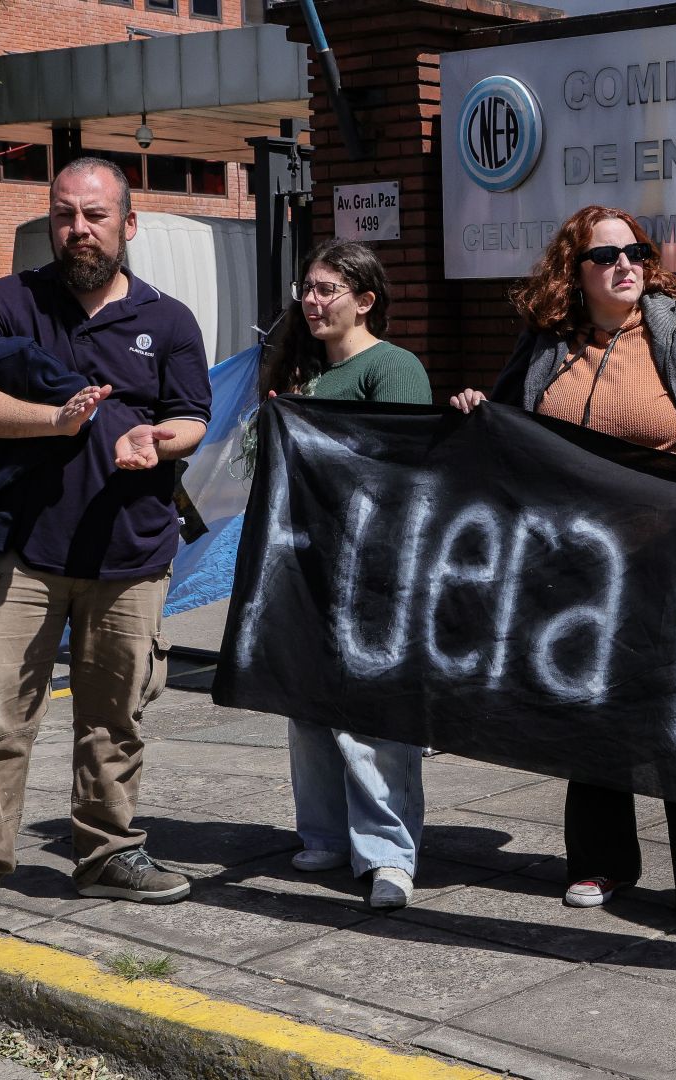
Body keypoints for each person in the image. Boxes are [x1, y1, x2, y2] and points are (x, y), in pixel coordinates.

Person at [449, 205, 676, 936]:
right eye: (606, 256)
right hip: (575, 572)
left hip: (674, 563)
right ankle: (599, 861)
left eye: (636, 251)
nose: (625, 264)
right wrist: (477, 408)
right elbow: (506, 429)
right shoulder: (546, 345)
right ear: (576, 271)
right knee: (591, 711)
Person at [0, 157, 212, 949]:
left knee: (117, 719)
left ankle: (107, 851)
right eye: (65, 214)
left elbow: (192, 419)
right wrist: (53, 423)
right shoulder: (5, 302)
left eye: (96, 215)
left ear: (128, 225)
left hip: (131, 552)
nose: (79, 229)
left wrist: (157, 439)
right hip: (21, 552)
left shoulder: (170, 320)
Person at [264, 239, 433, 911]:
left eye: (327, 288)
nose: (311, 299)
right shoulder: (303, 372)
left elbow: (404, 469)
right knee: (308, 711)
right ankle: (327, 834)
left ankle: (388, 854)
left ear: (365, 301)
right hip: (307, 565)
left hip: (373, 569)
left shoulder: (393, 368)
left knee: (373, 721)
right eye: (307, 287)